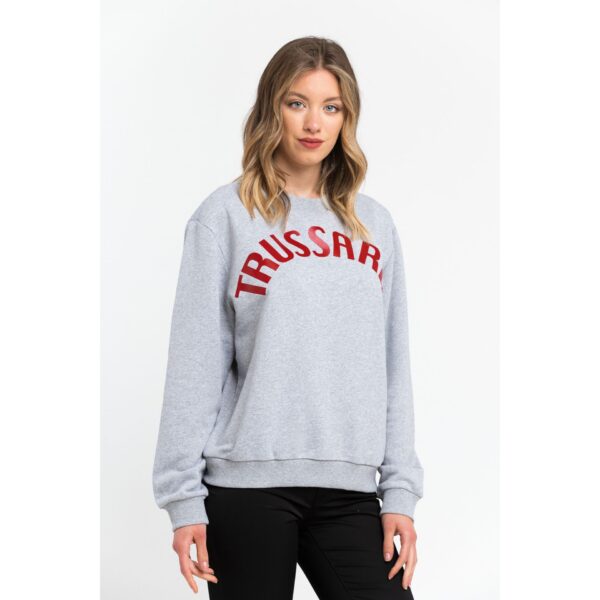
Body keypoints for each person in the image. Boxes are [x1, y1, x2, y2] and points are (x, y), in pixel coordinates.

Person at [152, 36, 424, 599]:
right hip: (246, 486)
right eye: (297, 102)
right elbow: (195, 363)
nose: (314, 123)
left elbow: (393, 364)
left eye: (332, 107)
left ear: (347, 117)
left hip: (350, 487)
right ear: (271, 108)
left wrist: (399, 491)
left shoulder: (373, 225)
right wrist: (183, 501)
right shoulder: (224, 217)